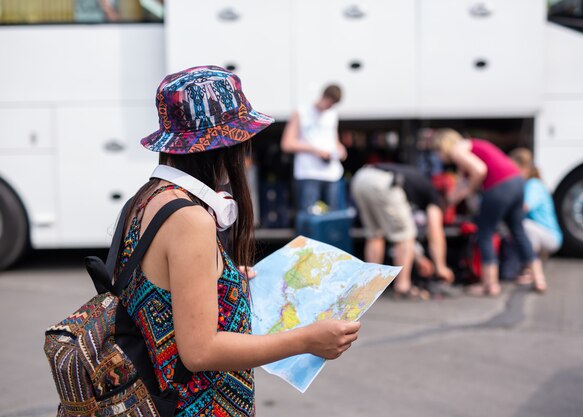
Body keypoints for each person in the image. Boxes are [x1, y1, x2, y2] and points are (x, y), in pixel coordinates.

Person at [117, 66, 360, 416]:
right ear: (223, 146)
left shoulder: (148, 198)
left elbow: (159, 289)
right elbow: (199, 352)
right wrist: (307, 340)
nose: (245, 158)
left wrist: (221, 279)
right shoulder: (191, 219)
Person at [431, 129, 548, 295]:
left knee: (485, 232)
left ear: (443, 146)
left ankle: (490, 285)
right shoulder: (471, 147)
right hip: (516, 182)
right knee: (518, 230)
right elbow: (463, 184)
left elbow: (479, 170)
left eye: (438, 152)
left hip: (498, 186)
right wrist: (450, 201)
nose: (438, 157)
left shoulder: (458, 149)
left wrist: (470, 190)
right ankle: (539, 278)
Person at [350, 163, 455, 299]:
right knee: (404, 236)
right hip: (385, 182)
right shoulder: (434, 198)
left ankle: (369, 287)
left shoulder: (419, 185)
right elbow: (435, 233)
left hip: (361, 178)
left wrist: (419, 258)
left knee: (375, 234)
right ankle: (403, 286)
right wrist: (441, 267)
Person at [280, 84, 347, 213]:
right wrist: (315, 150)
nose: (329, 107)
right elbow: (287, 144)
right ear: (324, 96)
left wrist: (340, 149)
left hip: (332, 174)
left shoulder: (332, 114)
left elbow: (334, 140)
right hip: (308, 173)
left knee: (333, 219)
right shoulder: (302, 112)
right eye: (329, 103)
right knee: (309, 218)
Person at [509, 147, 563, 260]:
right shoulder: (530, 184)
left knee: (524, 225)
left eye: (514, 169)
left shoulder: (533, 185)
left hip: (550, 236)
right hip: (543, 233)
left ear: (524, 168)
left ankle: (530, 265)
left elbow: (524, 207)